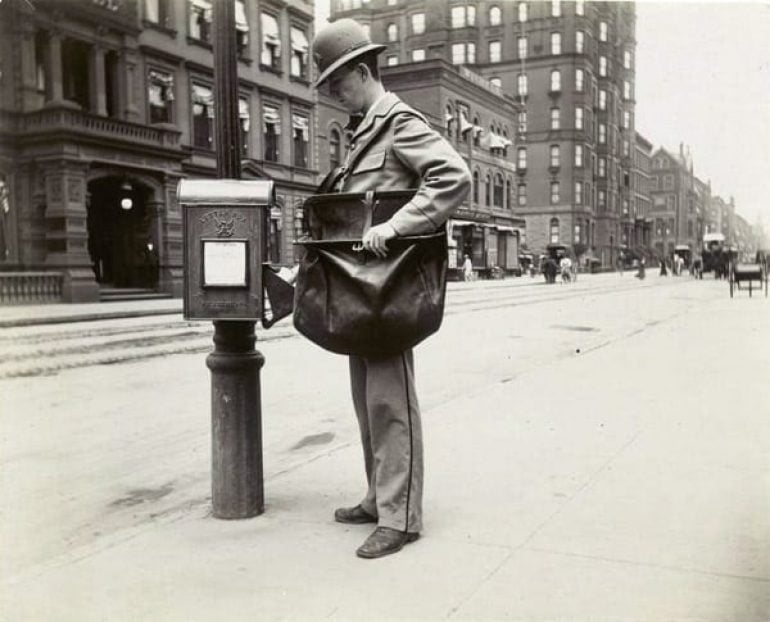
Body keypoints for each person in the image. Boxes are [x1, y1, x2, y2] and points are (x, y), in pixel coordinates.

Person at [311, 19, 471, 559]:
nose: (335, 93)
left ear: (362, 71)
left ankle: (401, 517)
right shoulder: (363, 132)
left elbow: (453, 176)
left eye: (338, 82)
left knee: (390, 401)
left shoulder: (399, 122)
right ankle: (381, 498)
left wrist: (395, 226)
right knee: (366, 400)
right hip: (363, 288)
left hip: (390, 285)